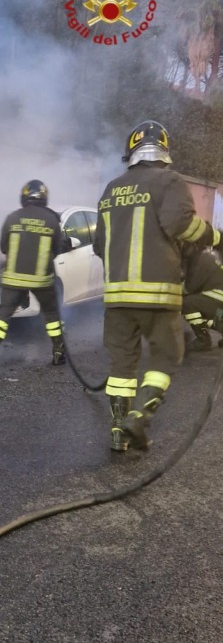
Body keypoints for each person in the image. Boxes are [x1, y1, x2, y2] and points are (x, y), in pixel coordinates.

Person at [93, 120, 221, 452]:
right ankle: (139, 417)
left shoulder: (111, 189)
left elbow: (99, 244)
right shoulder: (170, 180)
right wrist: (216, 237)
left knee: (122, 365)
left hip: (117, 297)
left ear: (131, 151)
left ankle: (118, 432)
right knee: (167, 355)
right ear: (163, 149)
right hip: (158, 294)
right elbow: (181, 224)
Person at [0, 179, 72, 374]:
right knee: (52, 316)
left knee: (2, 317)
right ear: (44, 198)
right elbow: (57, 250)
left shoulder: (12, 218)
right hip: (42, 279)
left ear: (24, 197)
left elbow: (4, 247)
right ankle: (58, 353)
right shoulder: (52, 220)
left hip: (12, 278)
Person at [182, 245, 223, 351]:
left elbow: (191, 287)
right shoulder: (208, 257)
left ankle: (203, 340)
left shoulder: (200, 259)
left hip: (217, 297)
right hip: (218, 300)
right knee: (215, 318)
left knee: (187, 303)